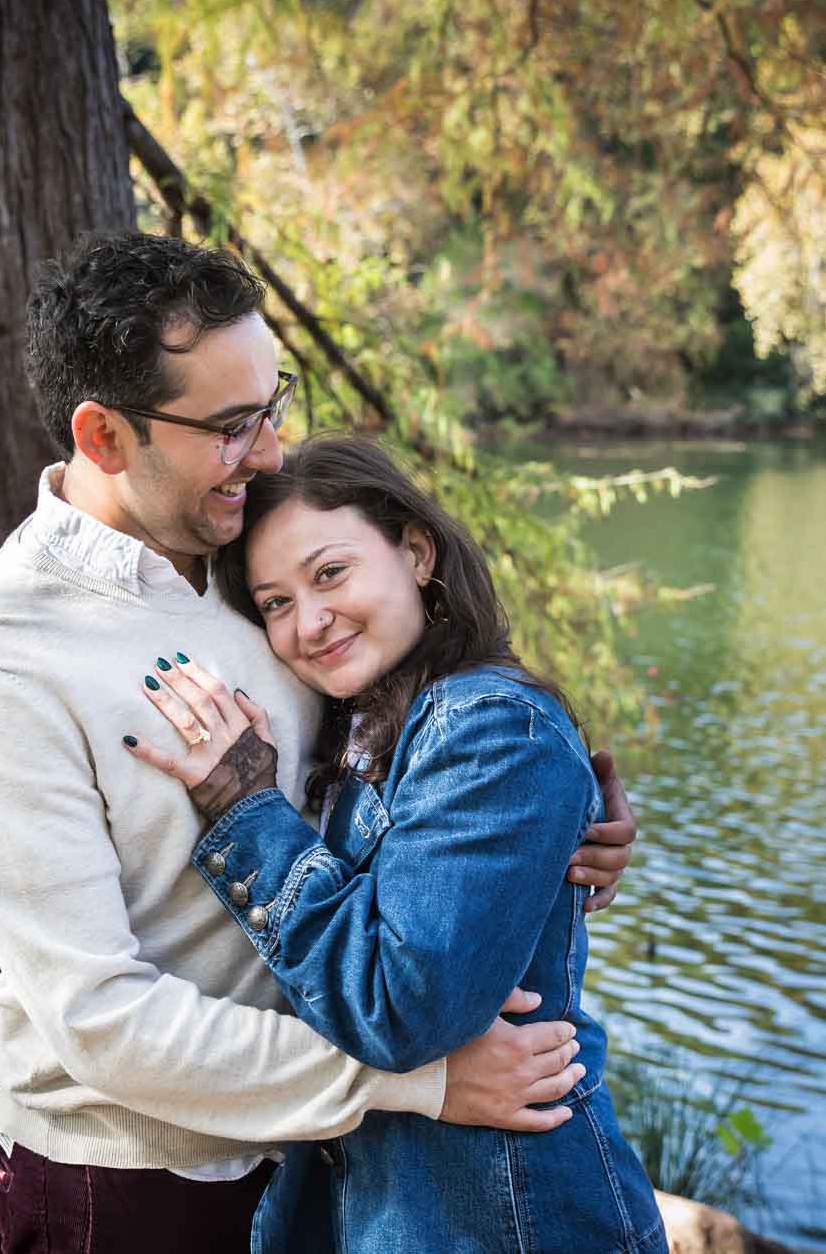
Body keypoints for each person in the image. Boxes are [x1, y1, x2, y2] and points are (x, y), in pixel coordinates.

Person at [0, 231, 640, 1253]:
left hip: (329, 1169)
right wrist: (412, 1079)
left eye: (271, 405)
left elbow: (405, 744)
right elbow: (100, 1018)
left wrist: (555, 818)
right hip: (133, 1186)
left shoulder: (254, 551)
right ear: (104, 435)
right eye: (228, 425)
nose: (265, 451)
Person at [123, 434, 668, 1253]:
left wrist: (247, 810)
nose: (309, 620)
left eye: (330, 573)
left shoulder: (487, 724)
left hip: (509, 1217)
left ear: (416, 550)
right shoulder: (370, 724)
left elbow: (398, 1007)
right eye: (274, 602)